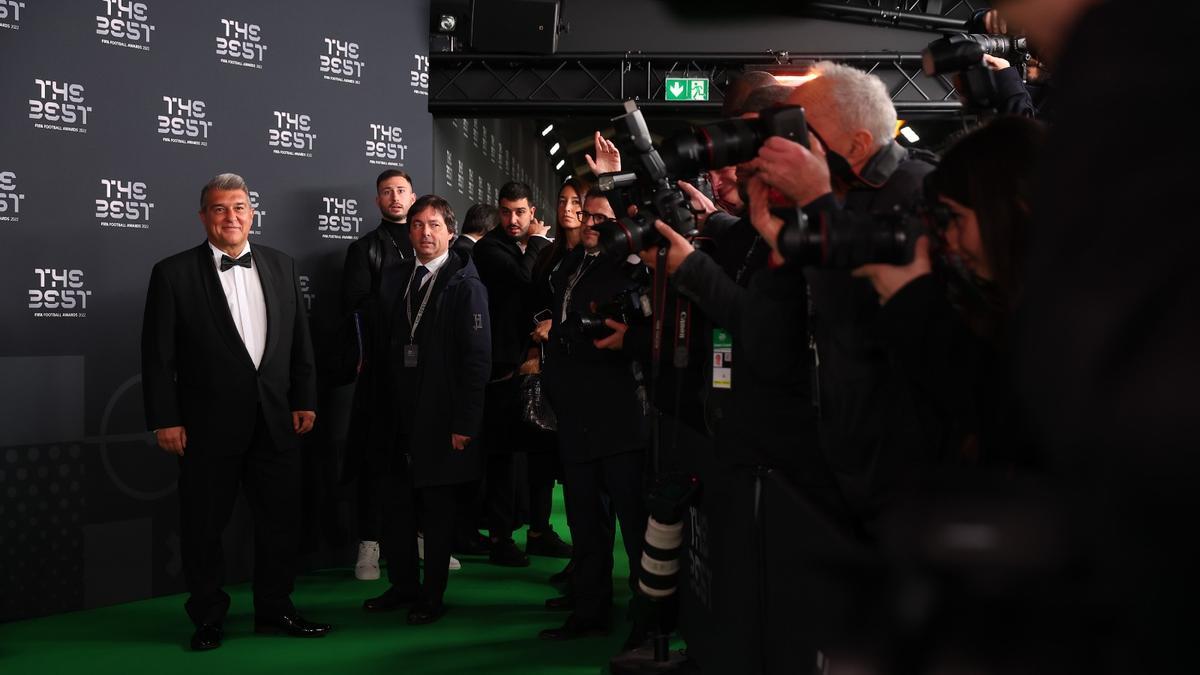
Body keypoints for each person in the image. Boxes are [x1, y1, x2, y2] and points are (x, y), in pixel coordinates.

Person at [141, 173, 330, 651]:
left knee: (280, 522)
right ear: (203, 216)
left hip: (277, 419)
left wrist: (305, 397)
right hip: (206, 427)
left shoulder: (281, 265)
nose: (232, 217)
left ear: (252, 212)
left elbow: (299, 342)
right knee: (204, 526)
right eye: (220, 208)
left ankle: (275, 608)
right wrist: (165, 417)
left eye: (240, 207)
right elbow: (158, 356)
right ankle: (207, 616)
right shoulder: (173, 273)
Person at [360, 195, 491, 625]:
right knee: (395, 506)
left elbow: (477, 360)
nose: (426, 233)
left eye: (435, 225)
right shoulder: (395, 275)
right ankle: (402, 586)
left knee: (437, 513)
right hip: (395, 414)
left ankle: (431, 596)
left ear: (451, 232)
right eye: (417, 225)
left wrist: (465, 422)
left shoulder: (465, 282)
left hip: (441, 417)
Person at [536, 188, 650, 642]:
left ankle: (649, 626)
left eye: (602, 218)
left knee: (637, 529)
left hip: (621, 416)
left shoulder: (632, 269)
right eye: (586, 215)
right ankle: (589, 611)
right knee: (585, 524)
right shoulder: (569, 264)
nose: (590, 224)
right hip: (576, 416)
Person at [471, 181, 553, 566]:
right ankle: (500, 538)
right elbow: (525, 278)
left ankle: (539, 531)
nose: (513, 219)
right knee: (503, 458)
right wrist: (538, 242)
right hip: (504, 369)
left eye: (520, 212)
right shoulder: (489, 247)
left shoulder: (536, 246)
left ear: (532, 210)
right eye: (506, 212)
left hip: (540, 362)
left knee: (541, 455)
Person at [341, 169, 416, 581]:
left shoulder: (432, 241)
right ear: (377, 201)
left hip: (422, 375)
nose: (394, 198)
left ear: (413, 195)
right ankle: (369, 545)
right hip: (380, 374)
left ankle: (422, 537)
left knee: (420, 459)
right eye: (386, 192)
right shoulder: (365, 248)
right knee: (375, 461)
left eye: (401, 190)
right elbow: (356, 302)